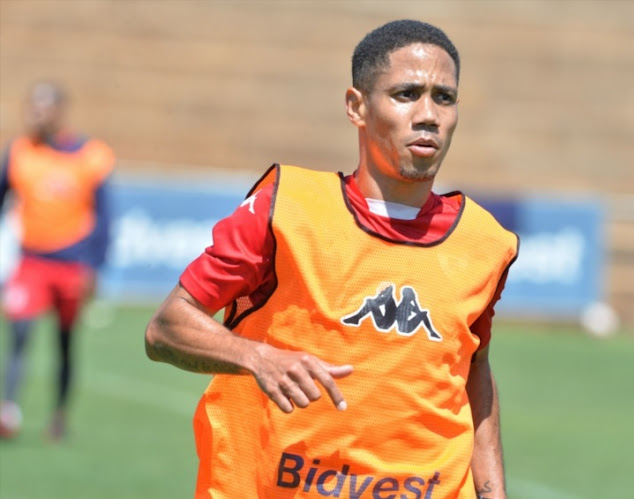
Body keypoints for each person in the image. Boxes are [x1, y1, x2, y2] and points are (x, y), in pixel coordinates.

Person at [145, 19, 518, 498]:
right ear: (356, 107)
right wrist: (255, 357)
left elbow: (474, 371)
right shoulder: (288, 208)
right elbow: (166, 327)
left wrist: (492, 492)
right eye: (406, 94)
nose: (428, 114)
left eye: (443, 97)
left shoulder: (486, 242)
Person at [0, 81, 115, 440]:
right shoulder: (19, 151)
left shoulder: (91, 156)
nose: (35, 114)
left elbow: (105, 218)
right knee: (19, 332)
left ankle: (59, 415)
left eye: (42, 107)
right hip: (31, 262)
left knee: (64, 342)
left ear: (59, 111)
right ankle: (9, 410)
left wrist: (95, 266)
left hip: (72, 265)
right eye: (31, 106)